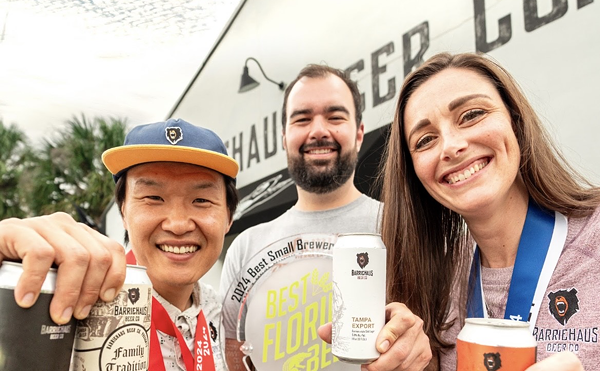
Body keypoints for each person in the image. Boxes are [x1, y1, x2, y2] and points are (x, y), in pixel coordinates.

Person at [379, 52, 600, 370]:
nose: (451, 146)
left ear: (514, 119)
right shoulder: (433, 287)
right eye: (426, 139)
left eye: (471, 115)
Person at [220, 64, 431, 371]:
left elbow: (438, 344)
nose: (318, 131)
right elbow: (231, 356)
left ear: (359, 134)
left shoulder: (402, 229)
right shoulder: (246, 246)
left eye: (335, 117)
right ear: (284, 137)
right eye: (302, 119)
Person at [0, 118, 240, 371]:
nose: (178, 224)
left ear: (228, 217)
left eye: (201, 200)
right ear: (124, 212)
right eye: (153, 197)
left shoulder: (223, 312)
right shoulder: (70, 299)